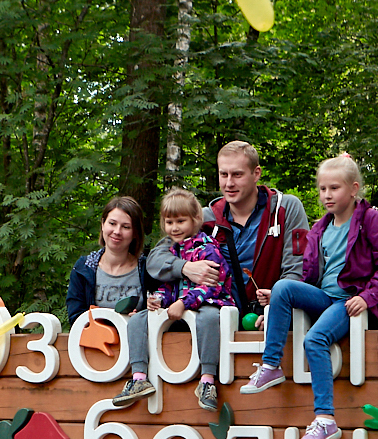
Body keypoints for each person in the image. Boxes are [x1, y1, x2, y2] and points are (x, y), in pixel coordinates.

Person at [239, 152, 378, 439]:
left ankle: (325, 420)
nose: (327, 195)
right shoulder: (320, 227)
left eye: (334, 188)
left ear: (353, 189)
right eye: (323, 189)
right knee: (282, 287)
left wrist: (367, 297)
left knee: (314, 340)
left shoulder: (369, 219)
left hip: (349, 301)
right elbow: (309, 276)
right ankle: (271, 366)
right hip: (324, 296)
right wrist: (276, 304)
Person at [147, 140, 309, 316]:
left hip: (275, 315)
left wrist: (277, 306)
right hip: (222, 315)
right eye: (223, 174)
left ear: (256, 173)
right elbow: (155, 259)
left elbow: (299, 269)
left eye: (237, 175)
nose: (229, 183)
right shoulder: (206, 218)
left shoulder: (284, 209)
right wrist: (185, 267)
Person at [121, 188, 238, 411]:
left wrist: (184, 303)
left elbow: (212, 286)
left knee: (209, 318)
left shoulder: (208, 248)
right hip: (177, 307)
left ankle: (207, 380)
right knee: (137, 320)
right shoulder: (171, 251)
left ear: (195, 219)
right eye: (169, 222)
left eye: (180, 221)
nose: (174, 227)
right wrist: (158, 299)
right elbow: (169, 284)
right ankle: (138, 377)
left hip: (207, 303)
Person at [65, 195, 161, 400]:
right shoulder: (84, 268)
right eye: (112, 223)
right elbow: (75, 317)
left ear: (135, 233)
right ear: (102, 225)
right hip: (97, 359)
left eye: (126, 227)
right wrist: (112, 320)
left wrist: (145, 314)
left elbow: (162, 309)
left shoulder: (148, 268)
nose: (117, 231)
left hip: (144, 363)